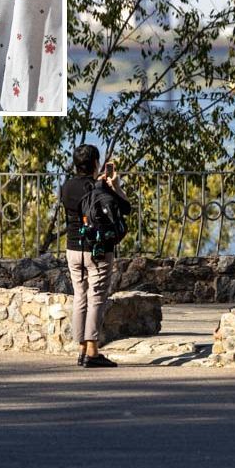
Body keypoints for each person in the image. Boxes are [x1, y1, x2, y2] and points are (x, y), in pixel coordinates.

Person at [59, 144, 131, 368]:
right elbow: (126, 208)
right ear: (95, 164)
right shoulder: (98, 187)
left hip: (73, 248)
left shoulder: (66, 187)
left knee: (80, 295)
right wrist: (115, 186)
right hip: (97, 249)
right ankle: (92, 350)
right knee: (97, 296)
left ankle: (81, 348)